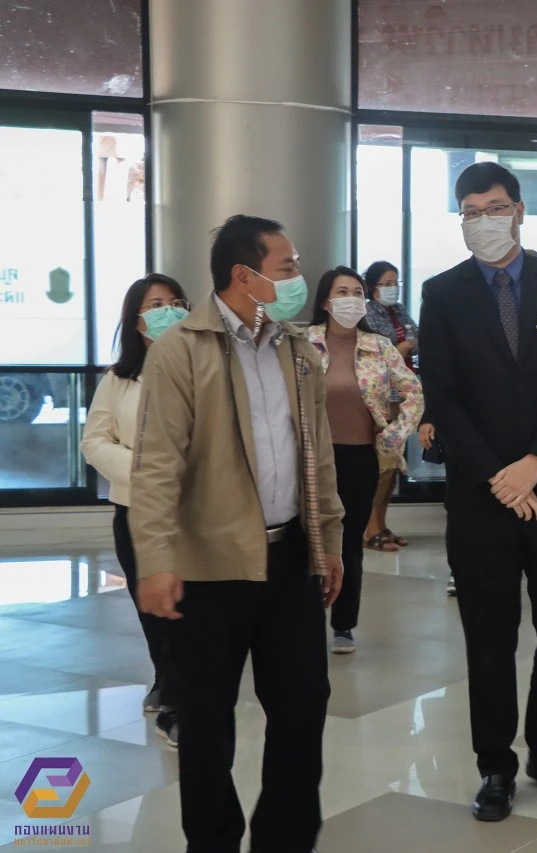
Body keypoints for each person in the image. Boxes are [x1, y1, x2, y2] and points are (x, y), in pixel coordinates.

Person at [130, 215, 344, 853]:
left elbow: (320, 454)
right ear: (242, 276)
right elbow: (157, 465)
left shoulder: (295, 350)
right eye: (285, 267)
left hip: (289, 564)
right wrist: (155, 559)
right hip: (209, 570)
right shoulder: (181, 352)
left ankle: (285, 839)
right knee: (206, 725)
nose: (296, 277)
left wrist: (328, 543)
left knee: (303, 712)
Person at [418, 162, 537, 822]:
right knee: (489, 638)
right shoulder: (441, 293)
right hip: (481, 499)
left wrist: (533, 464)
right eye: (471, 211)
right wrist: (502, 476)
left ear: (520, 211)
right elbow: (444, 396)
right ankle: (495, 764)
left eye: (495, 208)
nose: (484, 221)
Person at [82, 273, 189, 748]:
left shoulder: (199, 367)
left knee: (187, 608)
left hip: (192, 511)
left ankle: (181, 698)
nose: (167, 310)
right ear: (137, 319)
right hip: (136, 509)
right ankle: (167, 677)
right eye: (156, 304)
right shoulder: (119, 378)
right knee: (152, 609)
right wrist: (144, 471)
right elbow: (94, 441)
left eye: (175, 302)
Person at [308, 266, 423, 653]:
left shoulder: (380, 347)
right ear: (326, 302)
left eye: (357, 291)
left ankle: (343, 624)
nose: (351, 298)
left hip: (359, 457)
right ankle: (303, 618)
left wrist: (392, 434)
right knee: (308, 542)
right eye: (342, 291)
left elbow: (414, 393)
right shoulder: (301, 344)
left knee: (349, 544)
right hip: (310, 460)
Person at [361, 260, 419, 552]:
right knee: (382, 467)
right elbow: (379, 355)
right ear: (372, 286)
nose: (391, 288)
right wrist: (404, 347)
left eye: (394, 282)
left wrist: (405, 346)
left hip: (403, 396)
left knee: (394, 466)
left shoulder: (398, 310)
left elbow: (416, 335)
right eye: (385, 283)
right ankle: (371, 530)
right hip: (382, 399)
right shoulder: (366, 314)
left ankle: (382, 524)